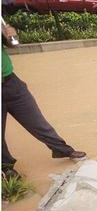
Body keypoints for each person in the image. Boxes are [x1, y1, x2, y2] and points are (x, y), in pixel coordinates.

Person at [1, 23, 86, 178]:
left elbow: (13, 45)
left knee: (37, 121)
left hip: (11, 82)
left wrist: (11, 36)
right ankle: (6, 167)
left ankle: (62, 149)